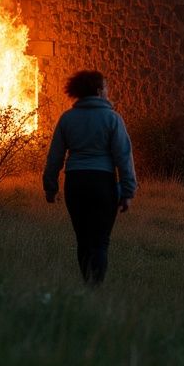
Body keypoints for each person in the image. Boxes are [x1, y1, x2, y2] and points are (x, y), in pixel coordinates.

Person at [42, 70, 137, 286]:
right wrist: (128, 192)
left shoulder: (67, 118)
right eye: (105, 87)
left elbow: (55, 156)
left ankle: (87, 283)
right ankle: (95, 289)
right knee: (100, 241)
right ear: (98, 91)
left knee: (83, 240)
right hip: (103, 184)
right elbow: (124, 156)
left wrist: (50, 187)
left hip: (75, 184)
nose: (107, 90)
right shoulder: (112, 119)